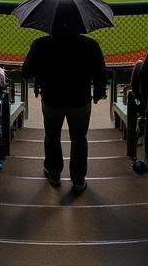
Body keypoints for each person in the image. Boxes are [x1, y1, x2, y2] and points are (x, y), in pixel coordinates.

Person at [21, 24, 107, 192]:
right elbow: (100, 74)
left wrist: (42, 70)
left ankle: (54, 173)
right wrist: (98, 93)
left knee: (52, 136)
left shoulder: (40, 43)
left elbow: (26, 72)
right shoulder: (91, 44)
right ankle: (78, 179)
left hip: (52, 99)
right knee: (79, 138)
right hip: (80, 100)